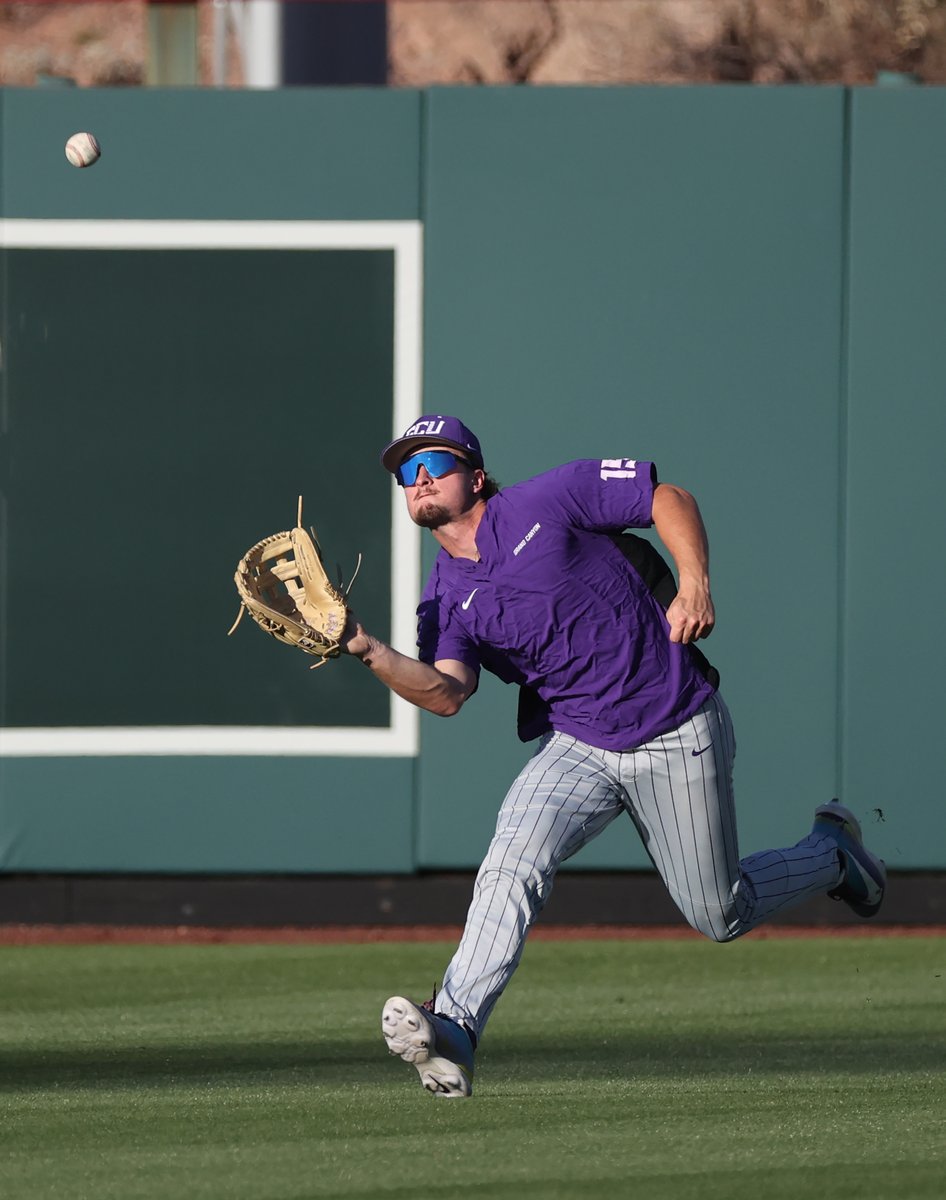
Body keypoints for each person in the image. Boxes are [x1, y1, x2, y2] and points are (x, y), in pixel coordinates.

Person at [341, 414, 887, 1099]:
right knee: (512, 860)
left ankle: (832, 853)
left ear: (474, 476)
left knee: (720, 913)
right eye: (406, 473)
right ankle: (454, 1028)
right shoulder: (445, 595)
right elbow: (448, 693)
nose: (419, 480)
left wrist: (694, 581)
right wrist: (366, 647)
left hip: (676, 725)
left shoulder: (550, 497)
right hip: (578, 744)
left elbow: (667, 498)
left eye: (435, 466)